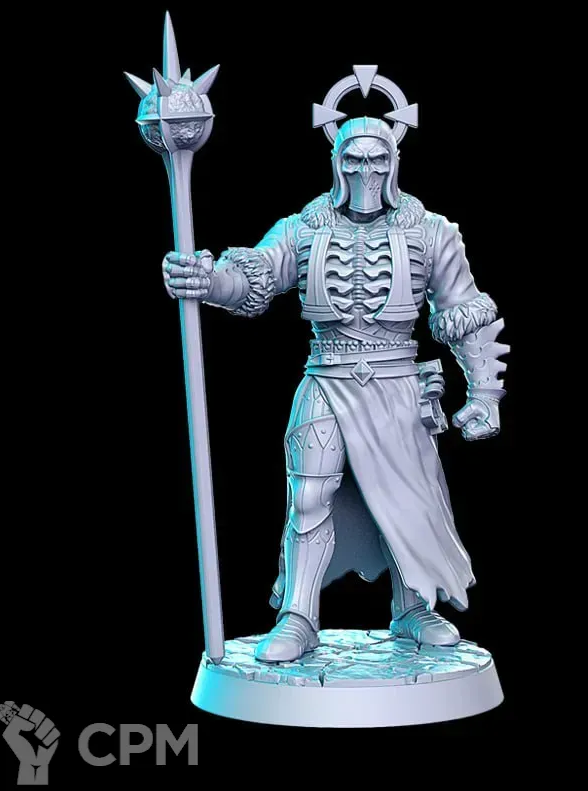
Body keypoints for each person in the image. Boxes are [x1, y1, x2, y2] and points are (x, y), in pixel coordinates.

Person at [162, 116, 509, 663]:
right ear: (336, 163)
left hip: (398, 386)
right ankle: (298, 617)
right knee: (307, 496)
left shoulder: (431, 231)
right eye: (353, 159)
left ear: (394, 163)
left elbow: (464, 311)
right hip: (326, 379)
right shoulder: (304, 228)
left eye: (377, 159)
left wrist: (484, 394)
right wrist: (208, 282)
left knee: (406, 502)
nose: (365, 171)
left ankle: (413, 608)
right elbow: (255, 276)